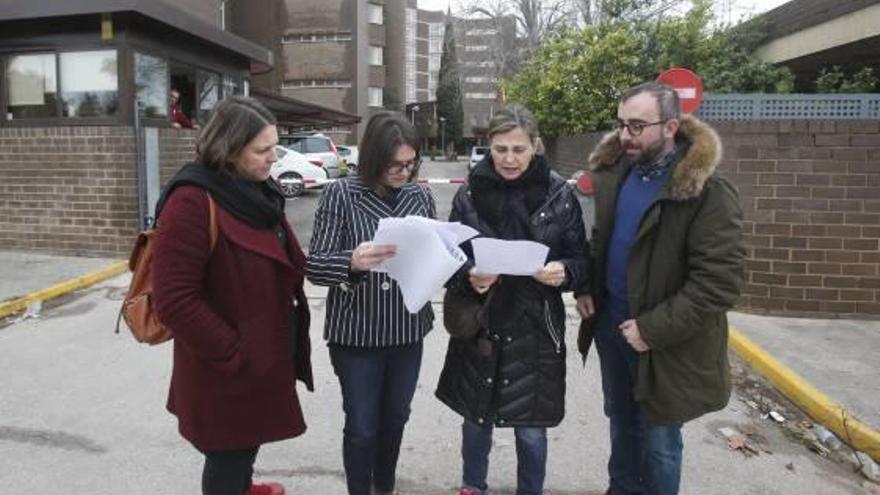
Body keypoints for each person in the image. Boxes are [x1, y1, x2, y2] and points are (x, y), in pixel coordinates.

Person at [575, 82, 745, 495]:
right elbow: (602, 241)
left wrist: (651, 329)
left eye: (637, 126)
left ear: (670, 126)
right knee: (621, 423)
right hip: (611, 329)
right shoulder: (616, 174)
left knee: (659, 442)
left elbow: (719, 283)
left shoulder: (705, 190)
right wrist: (587, 287)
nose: (625, 136)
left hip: (662, 342)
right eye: (620, 125)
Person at [152, 96, 312, 495]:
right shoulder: (192, 200)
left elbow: (285, 258)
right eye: (262, 150)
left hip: (262, 359)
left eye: (275, 146)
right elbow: (175, 299)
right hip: (224, 368)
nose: (274, 157)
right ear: (229, 149)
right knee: (227, 455)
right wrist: (233, 352)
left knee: (244, 446)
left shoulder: (257, 192)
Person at [435, 104, 589, 495]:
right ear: (489, 146)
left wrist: (565, 273)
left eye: (518, 149)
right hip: (481, 320)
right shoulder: (470, 193)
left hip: (536, 325)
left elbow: (581, 258)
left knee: (532, 430)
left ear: (535, 146)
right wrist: (470, 276)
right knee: (476, 420)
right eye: (500, 149)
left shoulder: (559, 194)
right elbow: (450, 258)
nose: (508, 158)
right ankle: (473, 486)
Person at [305, 112, 436, 495]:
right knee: (362, 425)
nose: (403, 172)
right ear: (373, 158)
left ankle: (386, 486)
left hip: (406, 328)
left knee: (396, 418)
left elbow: (433, 252)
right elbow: (315, 265)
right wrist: (351, 262)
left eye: (410, 164)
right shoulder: (340, 194)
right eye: (395, 164)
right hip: (357, 333)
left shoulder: (420, 195)